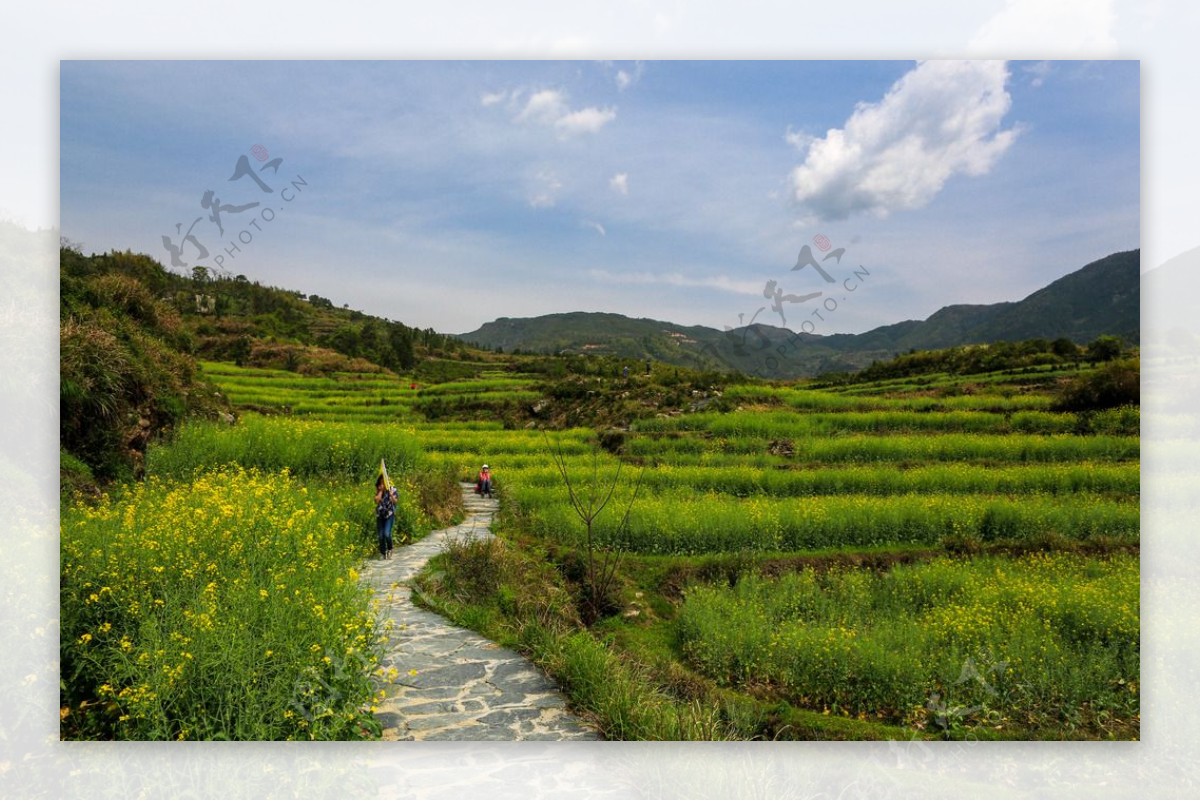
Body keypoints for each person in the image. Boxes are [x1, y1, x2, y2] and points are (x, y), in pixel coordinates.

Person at [374, 474, 397, 559]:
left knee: (387, 534)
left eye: (383, 481)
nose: (382, 483)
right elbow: (376, 500)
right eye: (380, 482)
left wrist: (391, 495)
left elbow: (395, 501)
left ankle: (390, 548)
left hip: (389, 515)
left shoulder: (392, 489)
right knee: (381, 535)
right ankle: (383, 553)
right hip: (380, 515)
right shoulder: (378, 490)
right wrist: (380, 491)